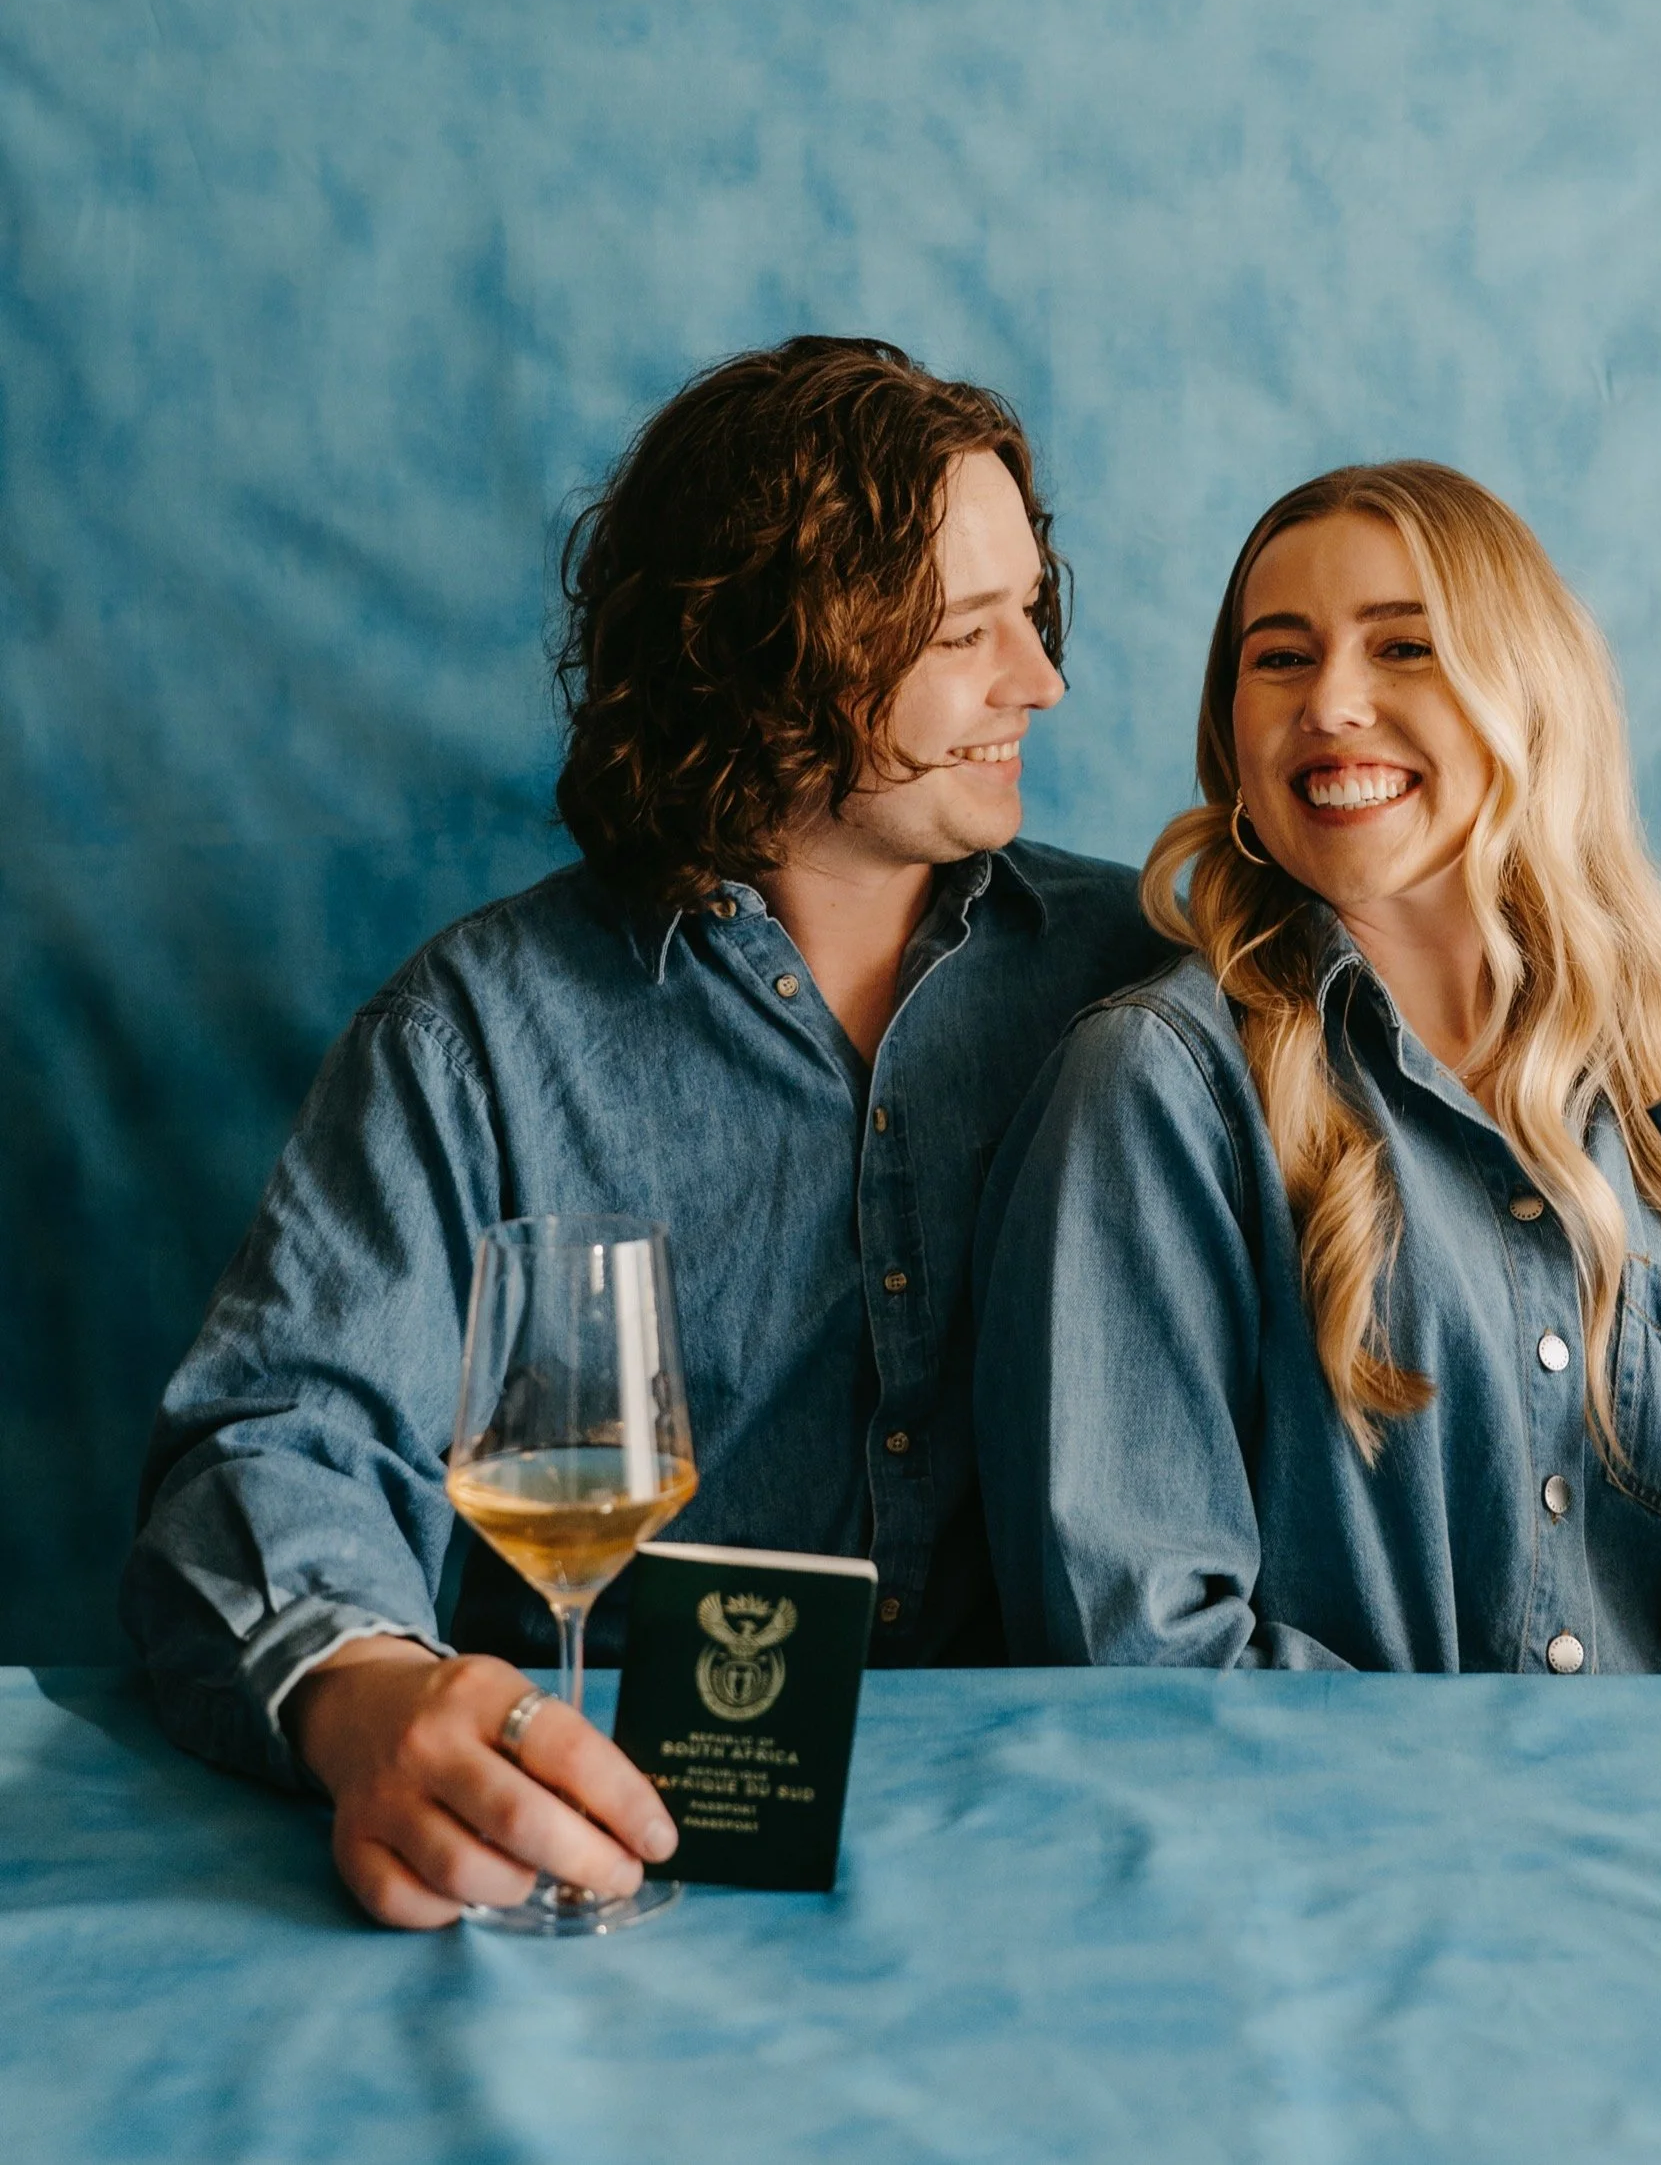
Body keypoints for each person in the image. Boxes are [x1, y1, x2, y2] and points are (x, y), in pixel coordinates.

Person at [124, 336, 1164, 1926]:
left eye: (1033, 611)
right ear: (775, 647)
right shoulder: (476, 1037)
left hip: (1073, 1862)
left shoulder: (1150, 983)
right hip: (619, 1858)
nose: (1044, 681)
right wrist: (366, 1701)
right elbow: (276, 1450)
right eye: (970, 633)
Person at [974, 461, 1661, 1673]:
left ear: (1529, 699)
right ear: (1233, 734)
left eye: (1404, 647)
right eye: (1280, 657)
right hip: (1349, 1862)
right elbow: (1137, 1657)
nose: (1332, 704)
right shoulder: (1158, 1088)